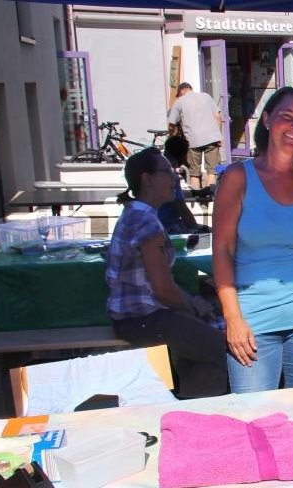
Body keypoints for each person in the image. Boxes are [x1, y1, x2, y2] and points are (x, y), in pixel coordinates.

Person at [212, 86, 293, 393]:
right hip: (251, 320)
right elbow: (221, 250)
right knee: (255, 417)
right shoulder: (237, 178)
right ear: (268, 120)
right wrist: (232, 318)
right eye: (288, 117)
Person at [105, 147, 228, 399]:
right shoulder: (146, 222)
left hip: (137, 317)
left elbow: (162, 284)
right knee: (218, 346)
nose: (174, 178)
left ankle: (192, 403)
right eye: (166, 172)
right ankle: (201, 414)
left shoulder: (135, 214)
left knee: (201, 338)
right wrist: (193, 307)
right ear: (147, 179)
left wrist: (194, 305)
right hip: (143, 319)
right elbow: (163, 290)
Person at [168, 82, 223, 191]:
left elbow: (171, 124)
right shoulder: (206, 96)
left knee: (194, 172)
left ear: (181, 91)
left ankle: (197, 197)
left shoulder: (179, 102)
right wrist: (219, 135)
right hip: (212, 138)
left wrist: (172, 137)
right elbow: (217, 116)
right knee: (212, 170)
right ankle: (211, 195)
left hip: (193, 141)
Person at [158, 135, 211, 234]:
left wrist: (197, 192)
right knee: (211, 232)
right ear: (183, 155)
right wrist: (195, 230)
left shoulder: (159, 170)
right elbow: (181, 207)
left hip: (159, 223)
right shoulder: (171, 175)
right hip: (168, 226)